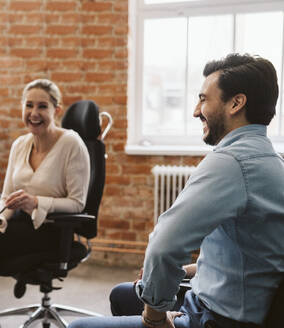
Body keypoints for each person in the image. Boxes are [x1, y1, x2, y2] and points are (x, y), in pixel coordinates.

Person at [69, 53, 284, 328]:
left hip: (217, 319)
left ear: (236, 103)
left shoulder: (231, 163)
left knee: (78, 327)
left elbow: (163, 248)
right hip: (243, 305)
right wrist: (186, 271)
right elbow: (255, 256)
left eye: (204, 99)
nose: (196, 110)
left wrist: (155, 318)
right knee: (122, 295)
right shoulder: (273, 161)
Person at [0, 79, 90, 328]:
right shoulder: (20, 145)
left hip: (53, 232)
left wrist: (36, 202)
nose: (34, 113)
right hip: (19, 228)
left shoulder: (72, 144)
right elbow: (6, 196)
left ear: (56, 110)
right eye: (29, 105)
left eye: (42, 106)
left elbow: (77, 204)